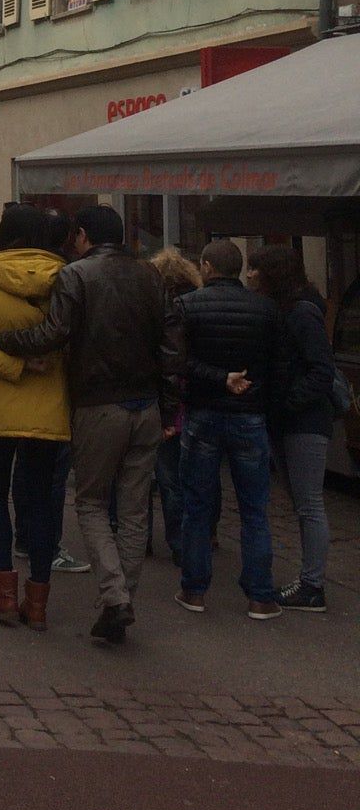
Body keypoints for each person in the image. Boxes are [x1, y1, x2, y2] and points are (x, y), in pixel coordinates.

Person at [0, 204, 180, 644]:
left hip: (98, 405)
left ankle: (115, 597)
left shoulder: (76, 275)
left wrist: (1, 340)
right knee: (134, 512)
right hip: (146, 405)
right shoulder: (151, 276)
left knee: (92, 503)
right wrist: (169, 409)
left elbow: (52, 333)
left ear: (82, 235)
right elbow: (173, 349)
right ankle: (122, 597)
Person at [0, 203, 68, 631]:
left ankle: (4, 594)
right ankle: (38, 602)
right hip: (49, 408)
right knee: (41, 503)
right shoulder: (64, 278)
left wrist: (12, 367)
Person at [164, 239, 281, 620]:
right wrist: (249, 387)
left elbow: (179, 362)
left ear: (208, 267)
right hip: (249, 415)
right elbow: (277, 365)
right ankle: (260, 596)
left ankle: (194, 590)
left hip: (203, 414)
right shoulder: (266, 309)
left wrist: (218, 379)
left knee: (197, 505)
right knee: (254, 509)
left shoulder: (188, 305)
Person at [251, 245, 337, 613]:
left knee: (309, 504)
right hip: (291, 420)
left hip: (304, 422)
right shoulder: (287, 310)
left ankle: (313, 585)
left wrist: (288, 402)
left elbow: (322, 369)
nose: (250, 275)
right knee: (303, 503)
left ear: (273, 274)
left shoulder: (301, 314)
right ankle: (309, 579)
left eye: (256, 269)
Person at [12, 209, 89, 576]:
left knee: (26, 465)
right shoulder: (66, 275)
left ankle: (25, 538)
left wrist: (9, 347)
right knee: (53, 472)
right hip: (57, 382)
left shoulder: (9, 270)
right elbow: (60, 331)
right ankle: (47, 544)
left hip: (20, 385)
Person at [149, 247, 202, 565]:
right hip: (194, 402)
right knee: (193, 478)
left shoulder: (157, 310)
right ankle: (190, 539)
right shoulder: (198, 305)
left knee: (164, 476)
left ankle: (169, 540)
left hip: (165, 404)